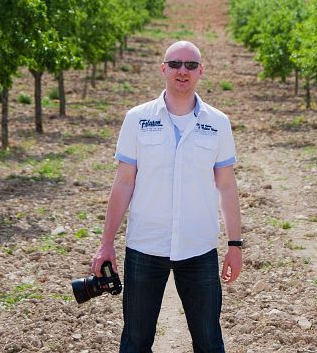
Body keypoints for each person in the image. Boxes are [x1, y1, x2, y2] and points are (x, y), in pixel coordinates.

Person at [91, 40, 242, 353]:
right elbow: (123, 183)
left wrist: (234, 245)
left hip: (198, 247)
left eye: (189, 65)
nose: (182, 71)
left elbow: (226, 186)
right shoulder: (137, 118)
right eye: (175, 64)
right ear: (163, 69)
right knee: (135, 341)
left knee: (209, 342)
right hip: (145, 246)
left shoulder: (218, 123)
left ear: (201, 71)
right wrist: (106, 244)